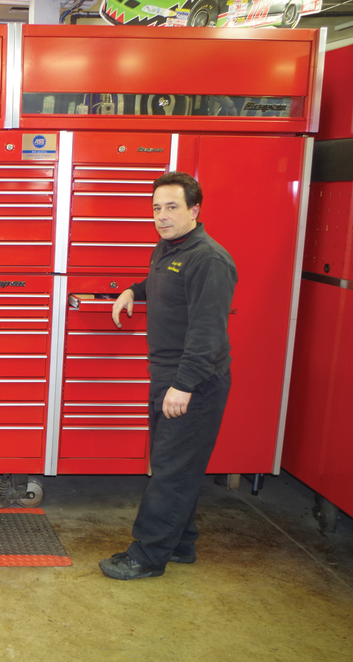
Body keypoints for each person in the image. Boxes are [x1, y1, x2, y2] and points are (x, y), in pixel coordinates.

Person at [99, 171, 237, 580]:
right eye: (157, 208)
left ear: (195, 210)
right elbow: (163, 284)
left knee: (169, 470)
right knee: (181, 466)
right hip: (168, 376)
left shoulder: (208, 259)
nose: (162, 216)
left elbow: (208, 332)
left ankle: (147, 555)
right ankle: (180, 543)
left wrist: (183, 385)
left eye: (172, 207)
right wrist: (132, 290)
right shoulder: (170, 248)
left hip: (192, 382)